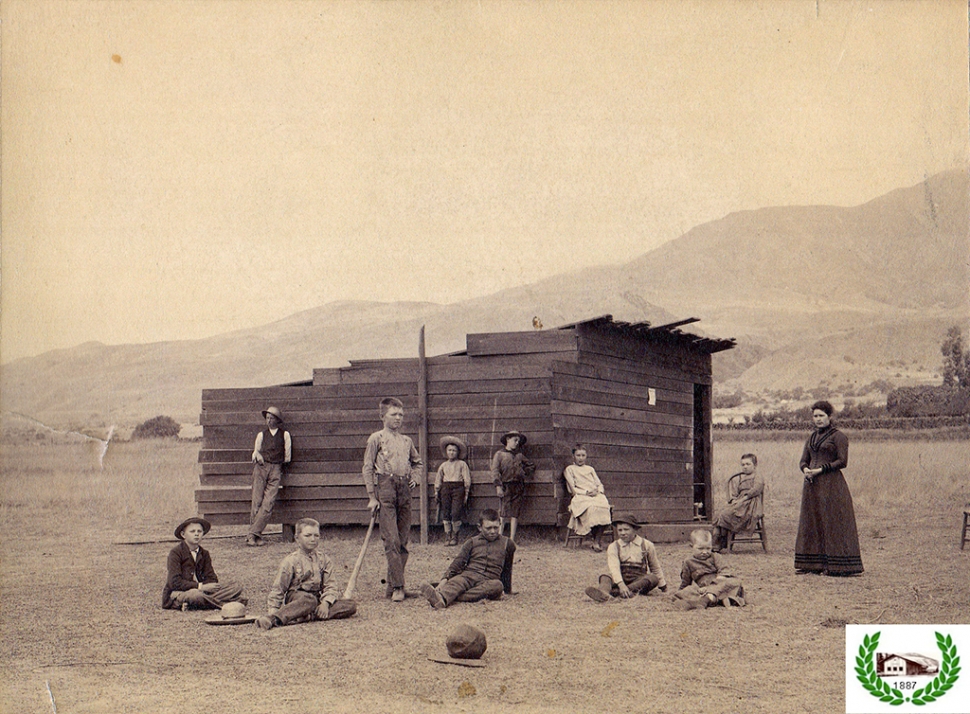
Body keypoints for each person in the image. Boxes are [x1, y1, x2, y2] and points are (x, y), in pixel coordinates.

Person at [362, 397, 423, 602]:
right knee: (392, 540)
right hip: (385, 489)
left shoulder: (407, 441)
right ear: (382, 416)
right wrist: (372, 496)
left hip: (405, 489)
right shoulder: (376, 438)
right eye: (393, 414)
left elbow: (418, 463)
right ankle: (398, 586)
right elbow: (368, 467)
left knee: (403, 541)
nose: (398, 418)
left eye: (401, 415)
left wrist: (415, 478)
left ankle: (393, 586)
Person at [795, 400, 863, 576]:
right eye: (815, 416)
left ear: (829, 417)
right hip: (812, 485)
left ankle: (837, 565)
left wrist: (819, 470)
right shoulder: (811, 437)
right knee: (812, 521)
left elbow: (842, 461)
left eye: (821, 416)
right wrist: (806, 470)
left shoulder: (838, 436)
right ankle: (812, 564)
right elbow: (803, 460)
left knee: (831, 521)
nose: (818, 419)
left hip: (831, 484)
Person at [255, 518, 357, 630]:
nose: (313, 539)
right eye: (308, 536)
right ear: (297, 539)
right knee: (309, 600)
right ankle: (275, 619)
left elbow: (331, 585)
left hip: (317, 598)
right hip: (298, 598)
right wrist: (273, 611)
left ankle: (307, 616)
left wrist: (325, 604)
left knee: (350, 605)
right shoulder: (290, 561)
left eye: (316, 535)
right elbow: (279, 588)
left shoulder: (324, 559)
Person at [420, 508, 516, 609]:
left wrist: (508, 590)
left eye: (496, 528)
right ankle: (442, 599)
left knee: (497, 586)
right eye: (488, 528)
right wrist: (444, 580)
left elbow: (507, 568)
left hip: (489, 580)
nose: (493, 531)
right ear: (480, 527)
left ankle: (453, 596)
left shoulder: (508, 544)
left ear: (500, 525)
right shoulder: (471, 542)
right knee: (458, 581)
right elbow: (458, 563)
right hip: (469, 576)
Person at [162, 517, 245, 610]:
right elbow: (174, 582)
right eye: (192, 531)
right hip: (181, 592)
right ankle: (225, 604)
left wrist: (210, 586)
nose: (196, 534)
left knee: (235, 587)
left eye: (199, 531)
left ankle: (193, 605)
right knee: (195, 595)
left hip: (203, 592)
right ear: (183, 534)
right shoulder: (176, 553)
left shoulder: (204, 553)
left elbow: (211, 577)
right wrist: (201, 587)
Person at [584, 512, 666, 602]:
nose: (623, 533)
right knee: (605, 576)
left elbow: (655, 567)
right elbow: (614, 567)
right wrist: (621, 584)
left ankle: (615, 593)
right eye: (620, 530)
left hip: (638, 580)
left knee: (652, 578)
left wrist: (663, 586)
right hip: (620, 577)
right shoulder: (614, 546)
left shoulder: (647, 545)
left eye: (626, 530)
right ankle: (604, 593)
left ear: (634, 530)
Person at [248, 406, 291, 547]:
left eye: (272, 418)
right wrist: (258, 456)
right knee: (257, 500)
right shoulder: (261, 435)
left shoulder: (285, 435)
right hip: (261, 468)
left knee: (269, 502)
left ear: (277, 420)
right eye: (267, 418)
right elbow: (256, 452)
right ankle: (256, 536)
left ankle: (252, 534)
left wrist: (276, 464)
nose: (269, 420)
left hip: (276, 469)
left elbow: (287, 456)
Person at [673, 529, 745, 610]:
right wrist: (681, 592)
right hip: (703, 588)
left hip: (720, 584)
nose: (705, 552)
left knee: (733, 582)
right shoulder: (688, 562)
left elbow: (724, 571)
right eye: (700, 549)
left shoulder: (715, 557)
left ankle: (705, 600)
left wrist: (712, 586)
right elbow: (685, 581)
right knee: (689, 591)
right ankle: (696, 601)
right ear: (691, 546)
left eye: (708, 548)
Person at [563, 444, 612, 552]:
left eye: (583, 455)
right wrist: (586, 492)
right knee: (592, 508)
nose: (581, 458)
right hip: (580, 497)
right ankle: (596, 541)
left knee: (604, 507)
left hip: (595, 495)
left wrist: (597, 491)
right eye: (578, 455)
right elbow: (572, 489)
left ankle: (596, 541)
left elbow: (599, 484)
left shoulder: (590, 469)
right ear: (573, 456)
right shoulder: (570, 469)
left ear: (586, 456)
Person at [712, 453, 765, 552]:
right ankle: (718, 541)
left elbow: (756, 490)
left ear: (755, 465)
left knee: (726, 514)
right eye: (743, 464)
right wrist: (734, 500)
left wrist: (743, 499)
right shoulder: (740, 477)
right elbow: (734, 492)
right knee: (720, 513)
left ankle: (719, 543)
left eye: (748, 464)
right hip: (740, 503)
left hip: (751, 503)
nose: (745, 467)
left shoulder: (758, 476)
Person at [490, 430, 535, 542]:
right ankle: (499, 538)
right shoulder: (499, 455)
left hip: (518, 486)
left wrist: (523, 473)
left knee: (515, 512)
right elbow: (495, 471)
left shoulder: (520, 455)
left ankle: (512, 539)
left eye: (518, 441)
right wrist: (498, 486)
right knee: (503, 512)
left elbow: (531, 465)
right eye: (515, 440)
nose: (516, 443)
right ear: (507, 440)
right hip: (505, 486)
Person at [434, 436, 471, 547]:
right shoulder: (443, 465)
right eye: (449, 450)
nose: (451, 452)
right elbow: (438, 479)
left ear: (457, 452)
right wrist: (437, 491)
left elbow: (467, 479)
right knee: (446, 512)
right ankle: (447, 535)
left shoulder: (462, 464)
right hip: (445, 488)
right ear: (446, 451)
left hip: (458, 488)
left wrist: (466, 491)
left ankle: (455, 535)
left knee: (455, 512)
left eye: (454, 450)